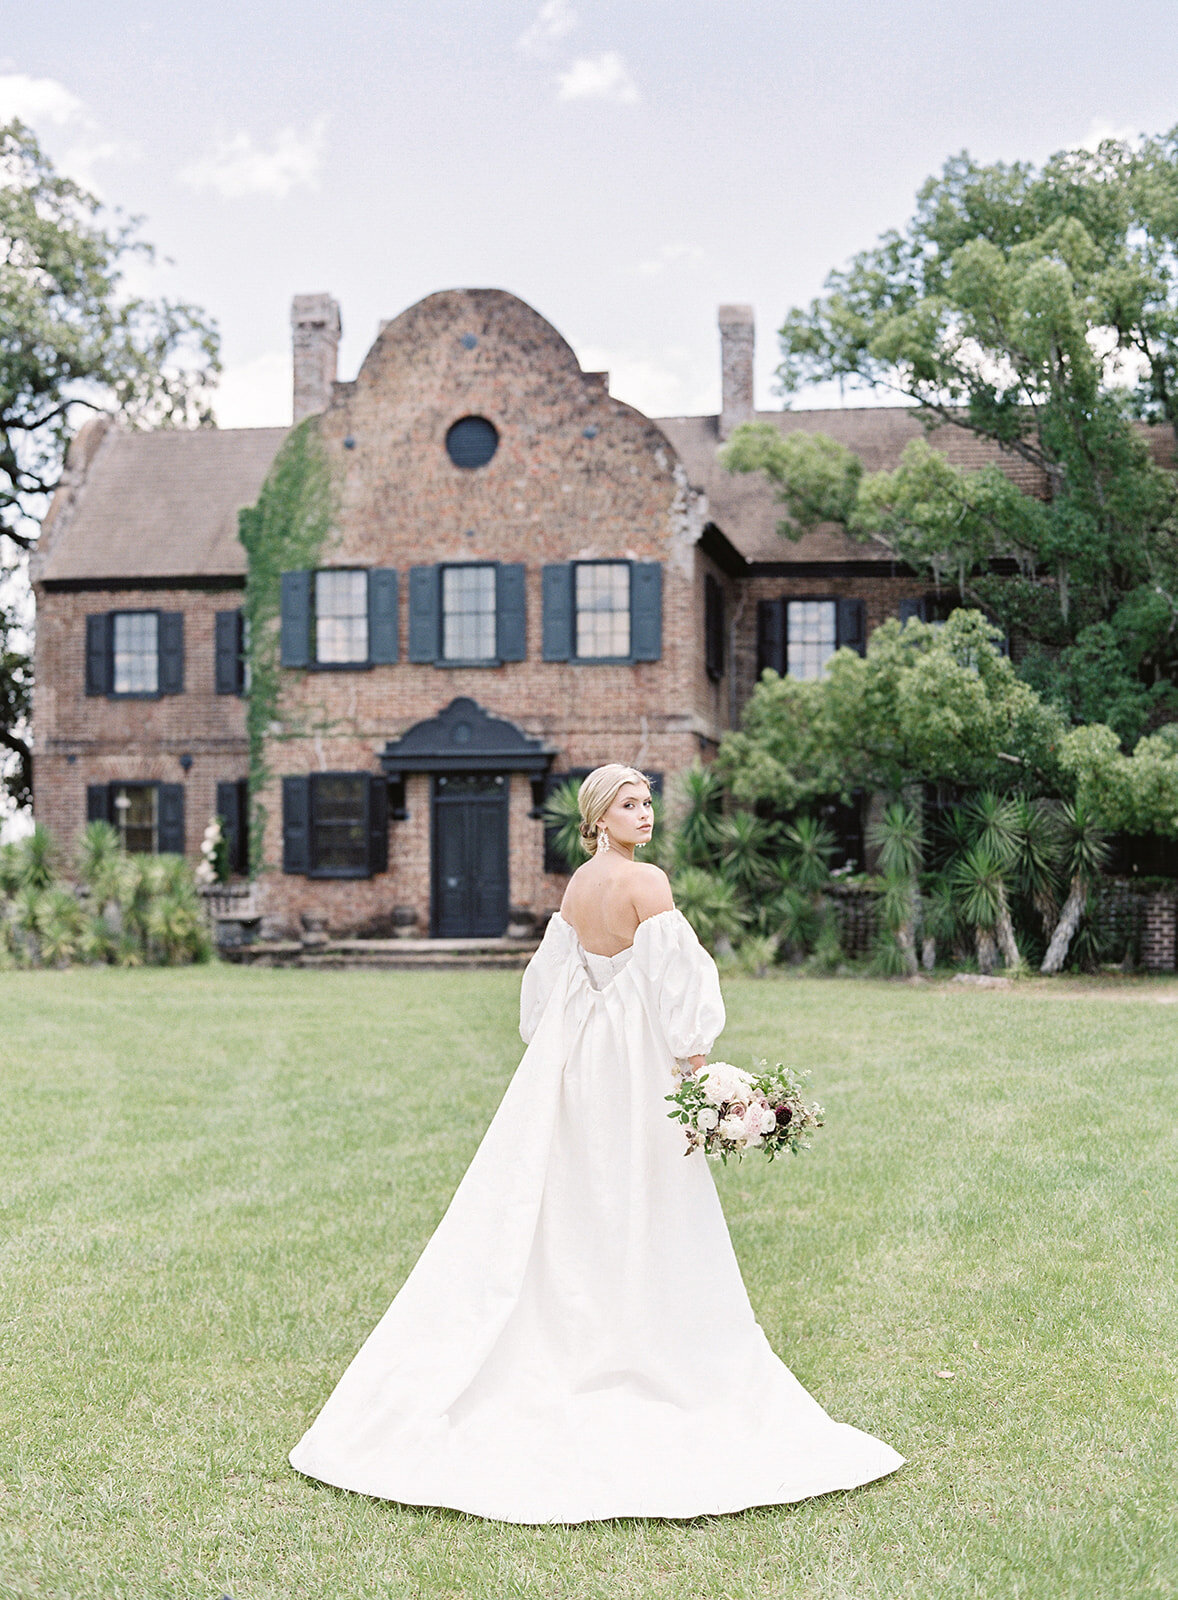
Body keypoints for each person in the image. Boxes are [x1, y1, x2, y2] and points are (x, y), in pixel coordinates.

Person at [289, 764, 903, 1522]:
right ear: (599, 816)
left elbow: (546, 989)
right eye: (628, 804)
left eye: (648, 802)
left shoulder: (578, 886)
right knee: (643, 1192)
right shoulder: (648, 886)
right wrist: (700, 1076)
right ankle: (643, 1340)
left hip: (580, 1062)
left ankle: (580, 1332)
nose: (645, 814)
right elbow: (680, 998)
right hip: (637, 1063)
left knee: (578, 1192)